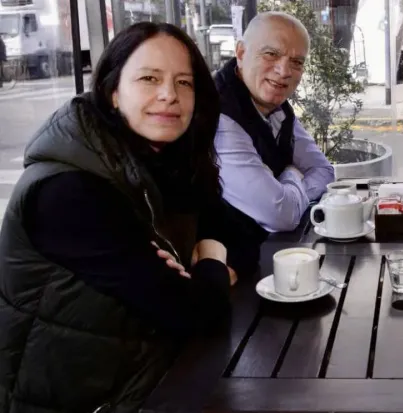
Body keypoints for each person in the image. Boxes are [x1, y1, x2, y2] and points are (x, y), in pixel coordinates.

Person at [0, 22, 235, 413]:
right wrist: (211, 261)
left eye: (184, 82)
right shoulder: (67, 192)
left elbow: (236, 232)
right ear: (112, 92)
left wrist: (201, 259)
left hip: (143, 375)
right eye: (149, 78)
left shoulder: (161, 160)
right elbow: (193, 311)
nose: (169, 95)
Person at [213, 11, 335, 273]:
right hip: (228, 277)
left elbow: (324, 171)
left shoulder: (275, 107)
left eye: (297, 62)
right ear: (241, 53)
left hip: (274, 259)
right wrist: (293, 174)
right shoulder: (220, 116)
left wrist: (287, 192)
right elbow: (281, 215)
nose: (283, 71)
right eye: (271, 54)